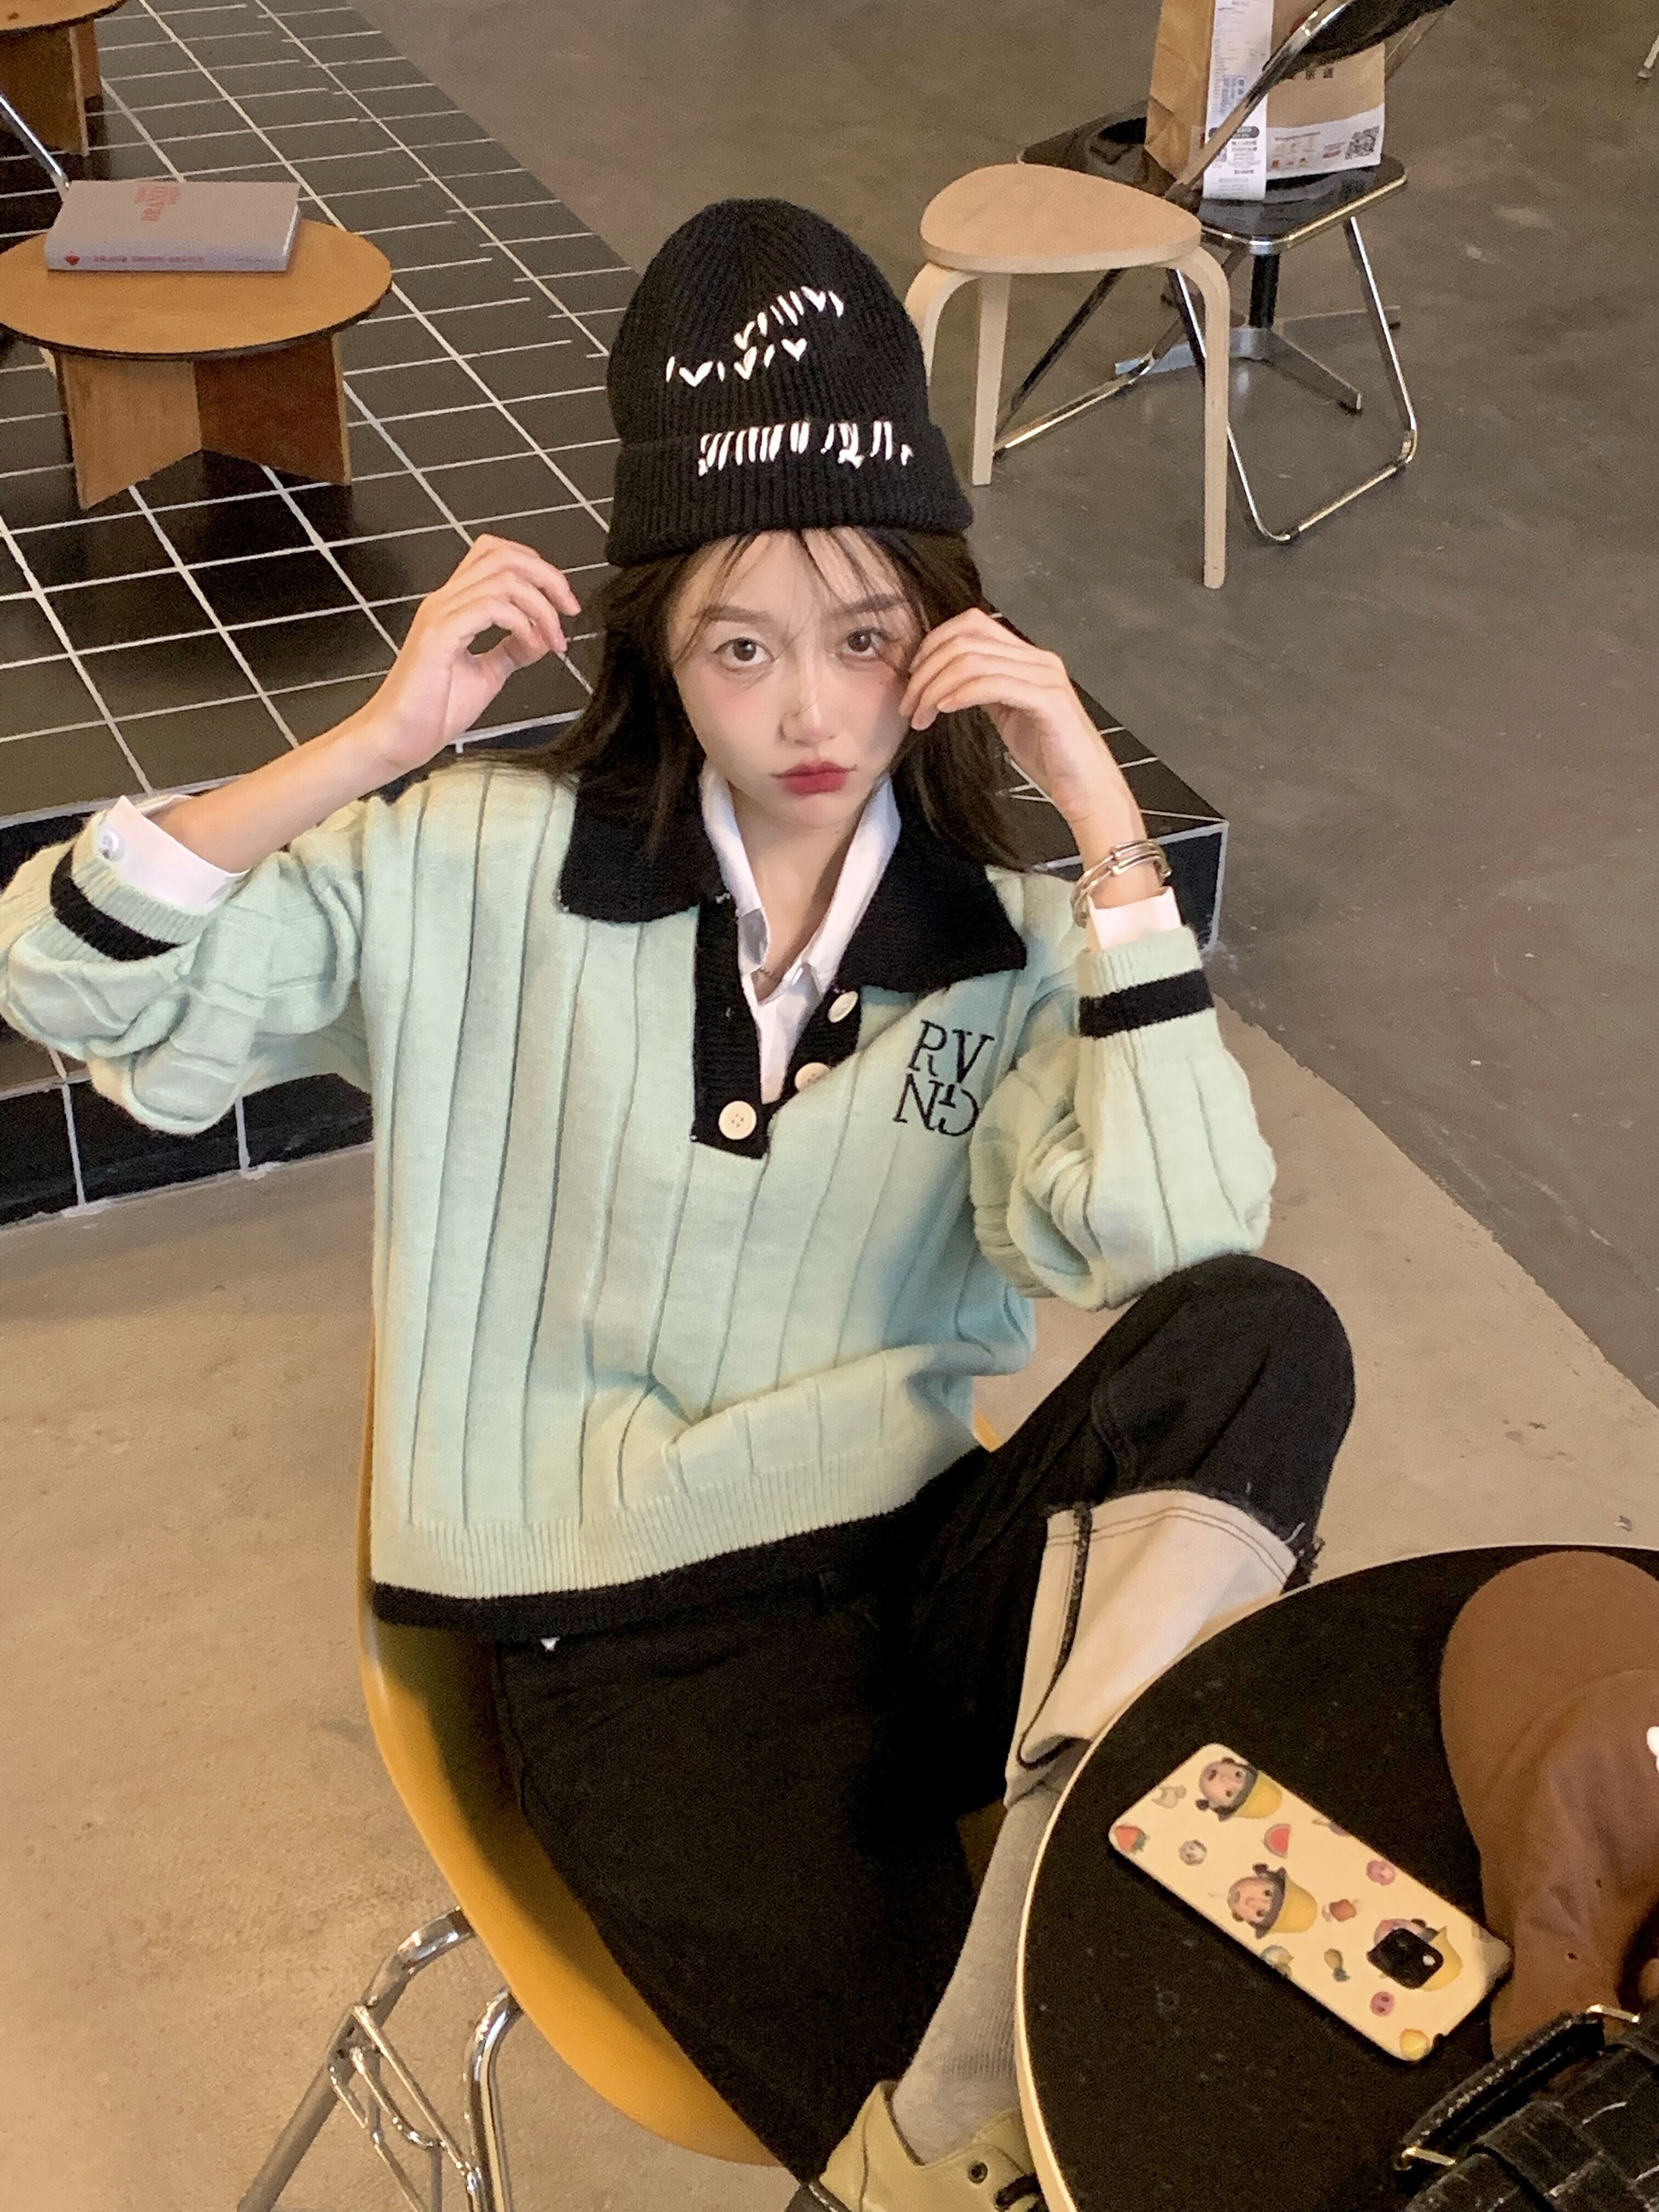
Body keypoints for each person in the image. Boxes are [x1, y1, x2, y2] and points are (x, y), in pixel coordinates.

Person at [0, 199, 1355, 2211]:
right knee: (994, 2139)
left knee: (1269, 1334)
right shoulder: (478, 863)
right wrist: (376, 740)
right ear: (661, 648)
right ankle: (1061, 1920)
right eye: (742, 647)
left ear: (942, 641)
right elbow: (71, 983)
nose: (811, 716)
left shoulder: (1011, 944)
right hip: (617, 1637)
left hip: (921, 1569)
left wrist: (1109, 835)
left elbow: (1179, 1252)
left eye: (864, 641)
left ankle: (1064, 1852)